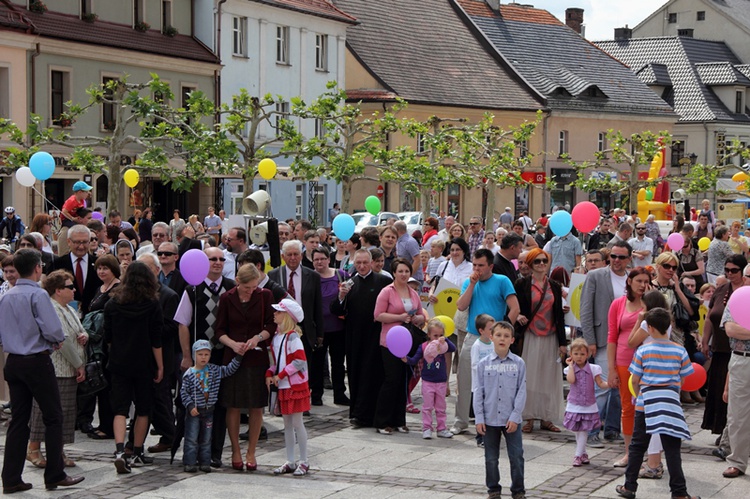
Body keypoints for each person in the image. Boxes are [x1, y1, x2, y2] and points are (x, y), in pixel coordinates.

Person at [0, 249, 85, 493]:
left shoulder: (7, 295)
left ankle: (11, 478)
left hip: (14, 360)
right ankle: (55, 474)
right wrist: (55, 340)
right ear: (37, 268)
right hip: (36, 360)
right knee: (54, 416)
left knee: (18, 420)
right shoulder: (37, 295)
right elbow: (53, 329)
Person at [615, 308, 697, 499]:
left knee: (637, 446)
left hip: (646, 403)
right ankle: (679, 492)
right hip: (669, 403)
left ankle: (629, 487)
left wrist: (638, 395)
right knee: (672, 449)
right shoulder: (680, 350)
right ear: (669, 326)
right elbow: (684, 379)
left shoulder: (643, 350)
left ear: (649, 328)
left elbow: (635, 380)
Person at [174, 246, 236, 467]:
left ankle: (215, 452)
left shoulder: (231, 288)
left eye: (221, 259)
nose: (218, 263)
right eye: (212, 259)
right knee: (194, 407)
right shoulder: (192, 289)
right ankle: (192, 453)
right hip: (198, 360)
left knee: (219, 406)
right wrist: (186, 356)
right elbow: (183, 324)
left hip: (222, 357)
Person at [452, 249, 520, 435]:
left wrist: (504, 333)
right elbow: (461, 305)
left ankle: (495, 422)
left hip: (494, 340)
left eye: (481, 265)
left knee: (496, 382)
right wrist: (472, 285)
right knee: (464, 380)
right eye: (474, 265)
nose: (477, 269)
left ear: (490, 266)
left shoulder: (502, 281)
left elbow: (514, 307)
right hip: (473, 336)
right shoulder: (469, 282)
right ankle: (461, 421)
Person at [104, 261, 163, 474]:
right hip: (144, 362)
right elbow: (156, 339)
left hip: (119, 362)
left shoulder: (113, 304)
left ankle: (120, 450)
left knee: (120, 409)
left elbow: (107, 337)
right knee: (143, 408)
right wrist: (160, 365)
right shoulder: (152, 304)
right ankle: (137, 450)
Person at [214, 264, 274, 471]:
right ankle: (236, 451)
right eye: (247, 287)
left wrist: (258, 338)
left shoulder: (265, 295)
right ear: (238, 282)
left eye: (254, 287)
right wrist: (232, 344)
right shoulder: (227, 298)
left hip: (257, 358)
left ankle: (252, 451)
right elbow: (219, 329)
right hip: (233, 358)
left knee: (257, 405)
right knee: (233, 404)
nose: (251, 291)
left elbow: (270, 325)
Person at [26, 270, 87, 469]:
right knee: (47, 411)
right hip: (57, 368)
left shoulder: (69, 308)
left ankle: (58, 451)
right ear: (58, 290)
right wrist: (78, 364)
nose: (74, 290)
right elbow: (64, 341)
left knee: (64, 412)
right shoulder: (52, 309)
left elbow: (78, 329)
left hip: (69, 369)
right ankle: (33, 448)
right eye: (70, 287)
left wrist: (84, 335)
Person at [580, 240, 633, 448]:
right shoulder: (596, 276)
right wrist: (590, 340)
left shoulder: (631, 278)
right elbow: (585, 310)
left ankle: (612, 429)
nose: (616, 261)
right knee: (601, 386)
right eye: (613, 256)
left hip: (626, 341)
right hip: (603, 339)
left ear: (629, 259)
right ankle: (592, 430)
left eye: (621, 257)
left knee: (621, 388)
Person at [331, 249, 391, 427]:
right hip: (355, 336)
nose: (362, 266)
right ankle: (357, 414)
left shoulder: (384, 281)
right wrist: (341, 296)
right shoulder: (350, 283)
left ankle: (375, 414)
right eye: (359, 263)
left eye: (365, 263)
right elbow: (336, 310)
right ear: (354, 264)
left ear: (372, 262)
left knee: (374, 374)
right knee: (356, 373)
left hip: (377, 335)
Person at [514, 249, 566, 433]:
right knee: (530, 377)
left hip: (551, 335)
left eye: (544, 261)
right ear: (530, 264)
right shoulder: (521, 284)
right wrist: (518, 315)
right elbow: (513, 305)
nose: (542, 264)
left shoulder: (554, 286)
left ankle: (546, 417)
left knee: (548, 377)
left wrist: (562, 342)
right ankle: (528, 416)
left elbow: (559, 315)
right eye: (537, 261)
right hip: (530, 335)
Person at [373, 258, 426, 434]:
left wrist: (419, 318)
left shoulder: (413, 293)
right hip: (390, 341)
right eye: (400, 271)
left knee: (403, 381)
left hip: (408, 342)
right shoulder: (387, 292)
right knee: (391, 380)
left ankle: (399, 420)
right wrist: (400, 317)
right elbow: (378, 315)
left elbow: (421, 314)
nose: (404, 274)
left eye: (407, 271)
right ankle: (382, 421)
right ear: (394, 273)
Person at [473, 321, 526, 499]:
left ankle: (518, 490)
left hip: (511, 419)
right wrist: (479, 418)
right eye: (498, 335)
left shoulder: (519, 363)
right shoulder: (482, 364)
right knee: (491, 458)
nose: (502, 339)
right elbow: (478, 391)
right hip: (489, 419)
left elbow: (521, 391)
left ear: (512, 340)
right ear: (491, 337)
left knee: (517, 457)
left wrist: (515, 416)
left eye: (506, 336)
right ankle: (493, 489)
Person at [268, 241, 325, 406]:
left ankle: (303, 401)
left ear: (301, 255)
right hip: (282, 328)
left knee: (302, 366)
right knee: (284, 365)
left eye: (296, 254)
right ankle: (283, 401)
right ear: (283, 256)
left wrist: (319, 333)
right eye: (289, 255)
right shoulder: (274, 275)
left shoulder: (312, 276)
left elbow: (317, 306)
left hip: (305, 329)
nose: (293, 258)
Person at [606, 267, 650, 468]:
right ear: (630, 281)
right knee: (627, 406)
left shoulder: (651, 304)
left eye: (645, 281)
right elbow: (612, 336)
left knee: (648, 407)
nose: (642, 285)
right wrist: (611, 368)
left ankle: (650, 452)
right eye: (639, 281)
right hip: (624, 360)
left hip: (647, 361)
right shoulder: (618, 304)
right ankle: (629, 452)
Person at [700, 254, 748, 439]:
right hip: (720, 348)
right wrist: (706, 339)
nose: (729, 273)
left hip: (739, 349)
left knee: (736, 394)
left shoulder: (746, 292)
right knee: (720, 390)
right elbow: (711, 316)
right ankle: (721, 429)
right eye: (727, 270)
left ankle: (732, 434)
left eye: (734, 270)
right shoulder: (721, 290)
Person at [181, 339, 243, 473]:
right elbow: (184, 392)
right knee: (191, 437)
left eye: (206, 354)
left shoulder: (214, 370)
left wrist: (238, 357)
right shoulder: (189, 374)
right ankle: (190, 462)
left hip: (209, 411)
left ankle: (205, 461)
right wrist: (190, 406)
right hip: (194, 411)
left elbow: (228, 370)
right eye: (200, 354)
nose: (203, 357)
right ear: (194, 355)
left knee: (206, 439)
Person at [266, 299, 312, 476]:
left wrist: (281, 375)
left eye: (278, 312)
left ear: (287, 316)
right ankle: (290, 460)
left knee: (297, 423)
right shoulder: (277, 337)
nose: (275, 314)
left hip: (295, 386)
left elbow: (299, 361)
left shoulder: (293, 337)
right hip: (283, 386)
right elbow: (275, 362)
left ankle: (304, 460)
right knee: (286, 424)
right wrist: (270, 374)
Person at [79, 254, 120, 440]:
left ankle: (108, 426)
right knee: (99, 383)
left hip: (108, 344)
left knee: (107, 384)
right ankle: (102, 423)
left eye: (106, 268)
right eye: (99, 268)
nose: (102, 272)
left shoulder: (117, 289)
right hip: (95, 344)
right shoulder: (100, 288)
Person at [405, 318, 456, 439]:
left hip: (441, 381)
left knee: (441, 407)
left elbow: (453, 348)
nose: (438, 338)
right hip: (428, 381)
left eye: (441, 335)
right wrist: (406, 359)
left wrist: (446, 340)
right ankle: (427, 428)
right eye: (435, 335)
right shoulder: (423, 347)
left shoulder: (443, 346)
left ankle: (441, 428)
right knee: (427, 407)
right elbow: (414, 359)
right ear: (428, 334)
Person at [564, 338, 608, 467]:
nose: (579, 357)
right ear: (571, 355)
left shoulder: (594, 369)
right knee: (578, 430)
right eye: (576, 354)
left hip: (588, 405)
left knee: (583, 430)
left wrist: (610, 384)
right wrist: (571, 366)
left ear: (587, 354)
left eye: (582, 354)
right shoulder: (569, 369)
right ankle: (583, 453)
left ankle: (577, 455)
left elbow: (600, 383)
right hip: (574, 404)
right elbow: (571, 380)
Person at [722, 286, 750, 478]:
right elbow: (730, 329)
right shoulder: (738, 299)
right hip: (741, 359)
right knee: (737, 415)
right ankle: (737, 462)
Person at [471, 314, 496, 447]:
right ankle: (480, 436)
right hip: (479, 385)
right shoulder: (477, 346)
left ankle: (490, 435)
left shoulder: (493, 345)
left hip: (492, 385)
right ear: (482, 331)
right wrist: (487, 368)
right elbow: (474, 365)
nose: (493, 332)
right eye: (491, 329)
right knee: (480, 411)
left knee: (490, 410)